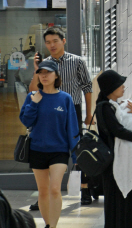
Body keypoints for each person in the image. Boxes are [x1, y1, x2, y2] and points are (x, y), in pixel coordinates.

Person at [28, 27, 92, 207]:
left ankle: (85, 188)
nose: (51, 45)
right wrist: (36, 70)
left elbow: (87, 87)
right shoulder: (44, 65)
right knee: (47, 151)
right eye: (48, 42)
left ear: (63, 41)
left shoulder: (77, 61)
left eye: (55, 41)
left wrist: (89, 114)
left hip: (72, 109)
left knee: (78, 150)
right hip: (48, 111)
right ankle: (44, 195)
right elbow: (33, 90)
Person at [20, 60, 79, 228]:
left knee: (54, 189)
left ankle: (53, 226)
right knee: (43, 190)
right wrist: (34, 103)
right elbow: (26, 121)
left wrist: (75, 155)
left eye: (48, 72)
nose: (44, 76)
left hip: (59, 150)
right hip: (37, 149)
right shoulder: (32, 97)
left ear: (56, 75)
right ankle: (47, 224)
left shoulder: (65, 99)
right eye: (41, 72)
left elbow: (72, 127)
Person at [95, 70, 132, 228]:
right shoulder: (104, 108)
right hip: (114, 163)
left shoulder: (114, 106)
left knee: (128, 199)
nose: (123, 87)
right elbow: (117, 130)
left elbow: (128, 126)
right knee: (117, 201)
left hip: (123, 161)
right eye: (119, 84)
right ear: (111, 88)